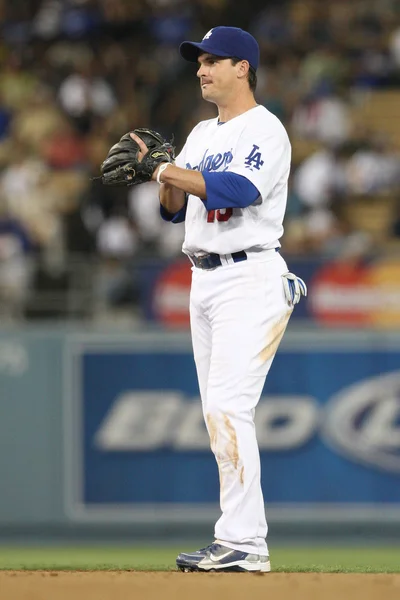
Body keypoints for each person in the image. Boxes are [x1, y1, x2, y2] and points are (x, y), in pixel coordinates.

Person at [130, 26, 306, 573]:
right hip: (203, 278)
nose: (202, 69)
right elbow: (172, 209)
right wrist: (161, 170)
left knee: (229, 408)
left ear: (243, 68)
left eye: (214, 60)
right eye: (200, 61)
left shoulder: (266, 130)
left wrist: (162, 168)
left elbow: (238, 191)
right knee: (217, 412)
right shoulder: (202, 133)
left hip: (250, 276)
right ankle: (238, 538)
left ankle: (244, 543)